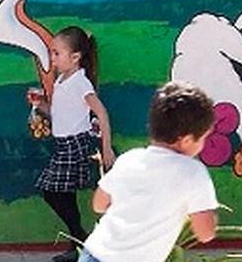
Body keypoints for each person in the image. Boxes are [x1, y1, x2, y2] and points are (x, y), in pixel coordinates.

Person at [77, 80, 219, 262]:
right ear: (187, 140)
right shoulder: (193, 172)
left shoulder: (129, 159)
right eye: (204, 138)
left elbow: (99, 204)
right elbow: (205, 233)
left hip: (94, 254)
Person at [30, 26, 115, 262]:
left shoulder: (80, 82)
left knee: (51, 190)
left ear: (75, 57)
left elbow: (101, 112)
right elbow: (59, 114)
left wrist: (106, 147)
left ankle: (82, 241)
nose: (52, 58)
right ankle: (77, 245)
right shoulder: (61, 80)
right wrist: (40, 105)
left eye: (57, 53)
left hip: (75, 145)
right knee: (62, 194)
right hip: (63, 145)